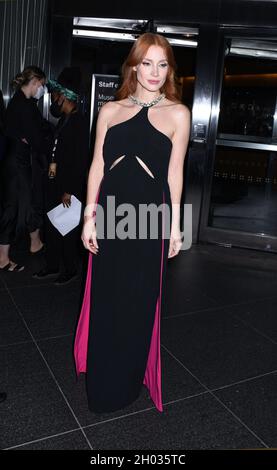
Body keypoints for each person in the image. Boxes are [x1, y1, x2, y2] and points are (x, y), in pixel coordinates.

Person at [74, 33, 190, 413]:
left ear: (169, 69)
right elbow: (97, 166)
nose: (155, 72)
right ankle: (103, 381)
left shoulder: (178, 114)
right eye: (147, 63)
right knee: (107, 299)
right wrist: (89, 217)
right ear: (134, 66)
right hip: (109, 213)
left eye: (163, 64)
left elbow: (175, 174)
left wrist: (175, 225)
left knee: (139, 301)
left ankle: (128, 380)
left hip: (148, 219)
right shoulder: (110, 109)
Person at [34, 67, 89, 285]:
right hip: (55, 181)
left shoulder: (79, 122)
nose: (54, 99)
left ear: (65, 96)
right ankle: (52, 265)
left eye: (57, 95)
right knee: (52, 225)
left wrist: (70, 190)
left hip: (67, 185)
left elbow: (80, 159)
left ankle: (70, 269)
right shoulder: (66, 119)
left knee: (67, 228)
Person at [0, 66, 50, 272]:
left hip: (16, 162)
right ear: (35, 82)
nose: (43, 89)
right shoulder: (24, 106)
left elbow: (37, 131)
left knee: (24, 205)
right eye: (42, 85)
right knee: (12, 208)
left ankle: (34, 242)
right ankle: (3, 258)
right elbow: (38, 137)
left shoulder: (21, 102)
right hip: (18, 164)